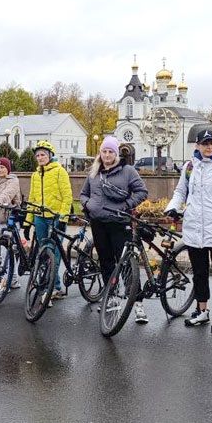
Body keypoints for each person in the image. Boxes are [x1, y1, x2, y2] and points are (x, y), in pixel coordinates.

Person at [164, 129, 212, 332]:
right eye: (204, 143)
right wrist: (173, 206)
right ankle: (202, 310)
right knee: (199, 273)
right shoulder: (190, 167)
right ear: (197, 145)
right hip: (194, 230)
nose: (208, 147)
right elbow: (181, 191)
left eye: (211, 143)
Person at [81, 136, 149, 320]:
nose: (107, 155)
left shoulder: (127, 171)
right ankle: (111, 296)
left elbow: (142, 192)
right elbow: (83, 193)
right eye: (104, 151)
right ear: (100, 153)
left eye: (111, 151)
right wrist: (87, 205)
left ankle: (137, 302)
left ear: (116, 154)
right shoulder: (94, 172)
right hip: (98, 223)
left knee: (126, 262)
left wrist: (126, 205)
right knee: (106, 261)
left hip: (119, 223)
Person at [26, 141, 73, 300]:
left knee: (54, 252)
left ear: (50, 155)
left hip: (55, 218)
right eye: (38, 155)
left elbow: (67, 197)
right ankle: (50, 284)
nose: (40, 158)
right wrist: (27, 222)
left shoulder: (60, 172)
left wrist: (63, 218)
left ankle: (54, 286)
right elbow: (32, 198)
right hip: (40, 217)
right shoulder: (35, 175)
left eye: (43, 155)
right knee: (43, 251)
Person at [0, 156, 23, 290]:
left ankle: (8, 280)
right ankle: (12, 280)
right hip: (0, 221)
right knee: (3, 252)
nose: (0, 170)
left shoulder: (13, 181)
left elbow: (6, 195)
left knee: (8, 253)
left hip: (11, 221)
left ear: (8, 169)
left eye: (2, 167)